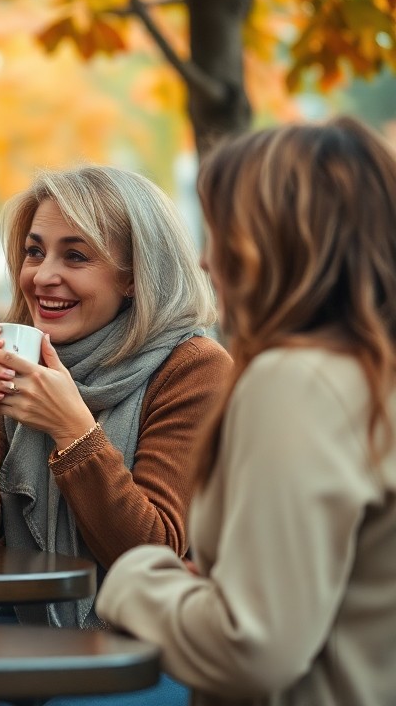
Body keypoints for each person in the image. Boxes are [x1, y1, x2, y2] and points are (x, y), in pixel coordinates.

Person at [98, 118, 396, 705]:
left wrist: (135, 580)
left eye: (225, 234)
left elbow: (252, 647)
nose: (207, 262)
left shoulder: (295, 382)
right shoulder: (369, 375)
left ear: (288, 244)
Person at [0, 165, 230, 635]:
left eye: (75, 256)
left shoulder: (193, 367)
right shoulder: (23, 354)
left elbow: (154, 557)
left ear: (134, 276)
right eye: (34, 252)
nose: (43, 276)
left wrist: (74, 432)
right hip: (24, 634)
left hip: (150, 647)